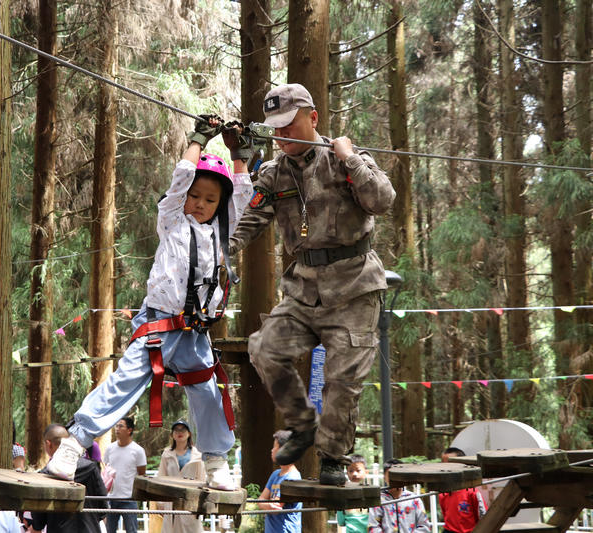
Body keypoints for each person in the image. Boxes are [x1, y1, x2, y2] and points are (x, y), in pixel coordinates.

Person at [46, 116, 254, 493]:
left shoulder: (222, 233)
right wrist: (199, 140)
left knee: (207, 391)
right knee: (125, 382)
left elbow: (241, 194)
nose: (200, 204)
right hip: (160, 325)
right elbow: (179, 181)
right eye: (195, 196)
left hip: (196, 332)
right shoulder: (172, 220)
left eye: (210, 200)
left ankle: (216, 459)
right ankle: (74, 443)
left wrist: (239, 152)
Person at [229, 83, 396, 485]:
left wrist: (350, 158)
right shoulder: (273, 174)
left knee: (342, 380)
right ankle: (302, 424)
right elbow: (252, 219)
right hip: (303, 288)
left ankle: (334, 457)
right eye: (276, 128)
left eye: (289, 125)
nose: (282, 136)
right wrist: (224, 251)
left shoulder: (346, 161)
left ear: (313, 118)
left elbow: (382, 200)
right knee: (264, 348)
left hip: (354, 285)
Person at [29, 424, 107, 533]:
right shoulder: (91, 468)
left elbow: (38, 521)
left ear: (48, 444)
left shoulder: (44, 476)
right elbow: (102, 507)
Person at [99, 417, 147, 533]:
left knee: (131, 530)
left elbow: (141, 474)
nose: (117, 429)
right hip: (111, 498)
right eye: (116, 426)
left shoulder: (138, 450)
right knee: (110, 530)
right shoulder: (110, 448)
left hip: (129, 498)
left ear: (129, 430)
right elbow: (106, 469)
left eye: (121, 426)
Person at [157, 419, 206, 533]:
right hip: (171, 500)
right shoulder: (167, 454)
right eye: (176, 430)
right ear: (172, 435)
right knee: (171, 529)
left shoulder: (197, 454)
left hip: (191, 500)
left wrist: (200, 503)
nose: (180, 432)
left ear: (189, 433)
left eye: (183, 429)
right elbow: (161, 477)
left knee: (192, 529)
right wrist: (160, 503)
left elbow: (202, 479)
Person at [368, 459, 430, 533]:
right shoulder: (379, 501)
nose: (395, 479)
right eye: (391, 475)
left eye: (399, 475)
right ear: (385, 477)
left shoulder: (414, 499)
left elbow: (424, 526)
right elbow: (373, 527)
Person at [257, 430, 302, 533]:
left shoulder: (293, 477)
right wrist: (267, 505)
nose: (272, 450)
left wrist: (265, 504)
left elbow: (276, 506)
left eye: (275, 447)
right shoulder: (275, 474)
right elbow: (260, 500)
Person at [438, 448, 486, 533]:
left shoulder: (472, 492)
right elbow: (446, 516)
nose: (446, 469)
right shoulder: (443, 492)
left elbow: (483, 517)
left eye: (450, 465)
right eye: (443, 465)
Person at [336, 454, 370, 533]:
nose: (354, 474)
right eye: (351, 471)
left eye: (358, 470)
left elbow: (341, 521)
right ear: (347, 473)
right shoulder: (342, 496)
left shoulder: (343, 495)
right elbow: (341, 522)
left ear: (366, 472)